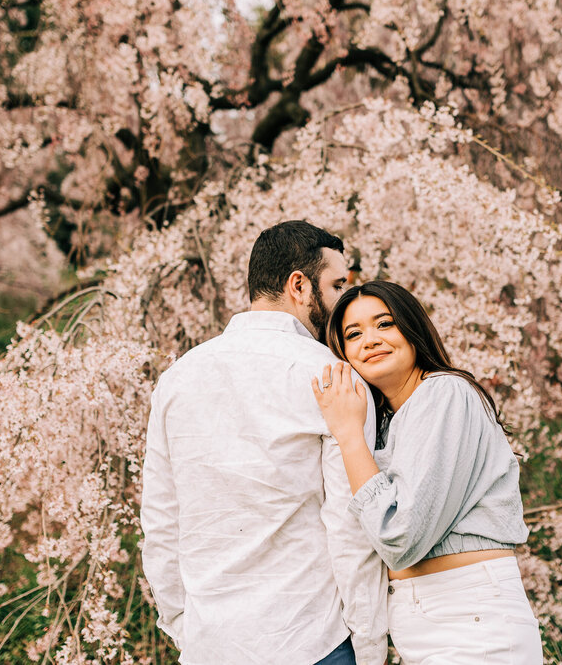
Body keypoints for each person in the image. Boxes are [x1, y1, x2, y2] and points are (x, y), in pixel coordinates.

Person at [140, 221, 388, 665]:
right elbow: (350, 527)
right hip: (311, 639)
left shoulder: (177, 379)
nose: (341, 303)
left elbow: (160, 522)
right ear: (299, 285)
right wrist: (369, 646)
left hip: (210, 644)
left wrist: (183, 627)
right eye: (335, 286)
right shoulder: (333, 378)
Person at [312, 280, 543, 664]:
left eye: (385, 324)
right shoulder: (390, 423)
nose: (370, 340)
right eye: (354, 334)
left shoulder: (444, 394)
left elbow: (399, 536)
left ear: (413, 328)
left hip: (470, 616)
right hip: (423, 622)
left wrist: (348, 435)